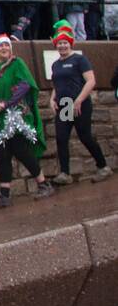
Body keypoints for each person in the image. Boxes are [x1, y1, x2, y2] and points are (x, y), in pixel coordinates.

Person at [0, 35, 53, 207]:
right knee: (3, 154)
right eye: (1, 46)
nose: (4, 48)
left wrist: (7, 103)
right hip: (0, 118)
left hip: (16, 115)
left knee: (21, 150)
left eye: (7, 45)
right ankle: (5, 194)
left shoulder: (17, 64)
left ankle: (43, 184)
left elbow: (25, 85)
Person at [49, 24, 111, 185]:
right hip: (65, 105)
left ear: (70, 43)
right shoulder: (55, 64)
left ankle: (103, 167)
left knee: (85, 137)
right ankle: (64, 173)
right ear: (55, 44)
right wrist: (51, 98)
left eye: (65, 42)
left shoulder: (79, 60)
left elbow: (91, 81)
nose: (62, 45)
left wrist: (79, 100)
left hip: (79, 104)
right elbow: (56, 84)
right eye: (59, 43)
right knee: (61, 138)